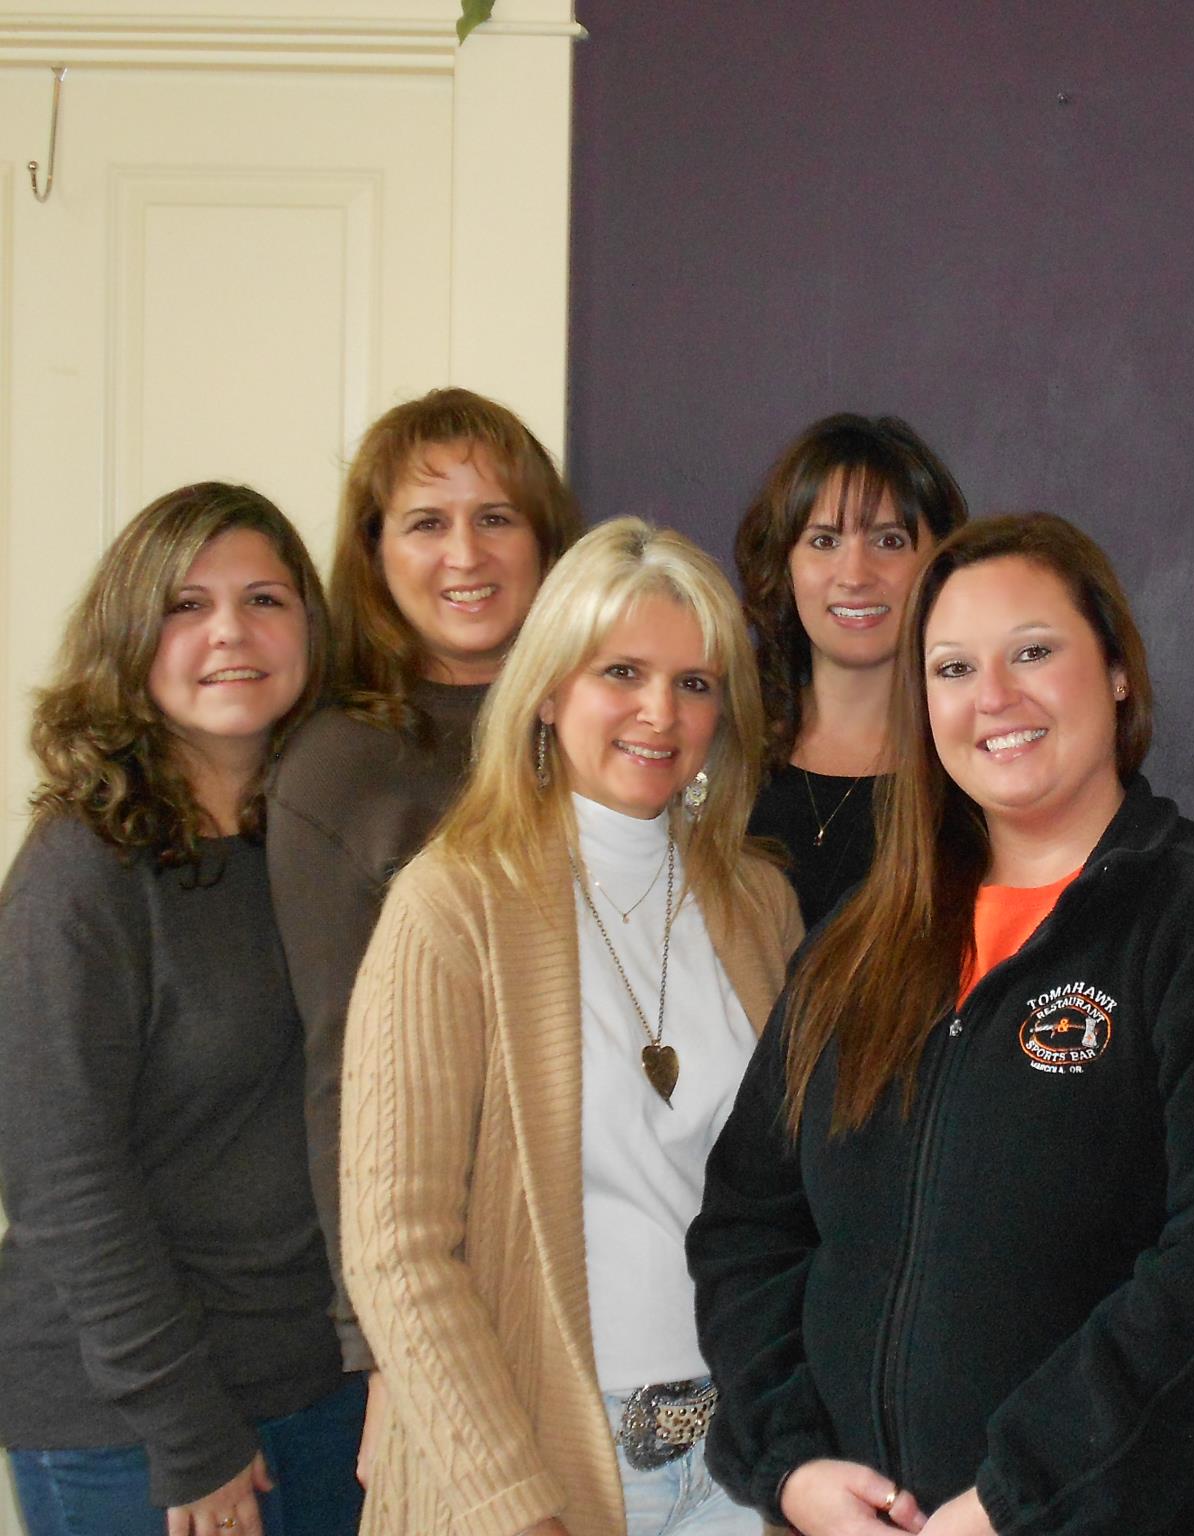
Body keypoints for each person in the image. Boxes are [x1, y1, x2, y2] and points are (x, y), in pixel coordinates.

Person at [689, 513, 1194, 1536]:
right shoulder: (859, 943)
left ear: (1118, 671)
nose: (993, 698)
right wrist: (790, 1465)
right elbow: (751, 1224)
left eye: (1033, 652)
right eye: (953, 669)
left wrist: (1018, 1499)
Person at [339, 518, 803, 1536]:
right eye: (621, 672)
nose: (659, 712)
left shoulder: (758, 904)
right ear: (548, 690)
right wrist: (515, 1509)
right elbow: (397, 1250)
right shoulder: (451, 906)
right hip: (538, 1466)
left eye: (694, 682)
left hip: (737, 1470)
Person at [0, 483, 359, 1536]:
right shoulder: (82, 870)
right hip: (131, 1417)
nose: (230, 633)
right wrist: (186, 1428)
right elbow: (63, 1182)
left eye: (264, 600)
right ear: (129, 638)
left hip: (313, 1387)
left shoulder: (318, 843)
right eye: (185, 606)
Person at [266, 387, 582, 1467]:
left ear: (546, 541)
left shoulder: (613, 724)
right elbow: (340, 1073)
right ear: (374, 554)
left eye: (496, 517)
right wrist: (380, 1348)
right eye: (425, 523)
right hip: (453, 1275)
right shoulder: (338, 769)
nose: (465, 555)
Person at [735, 413, 967, 926]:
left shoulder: (977, 764)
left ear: (939, 564)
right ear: (784, 565)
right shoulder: (725, 751)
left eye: (889, 541)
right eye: (824, 541)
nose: (856, 575)